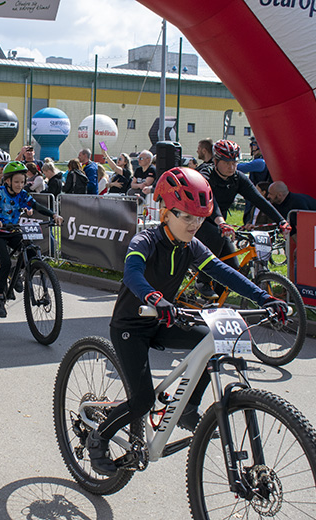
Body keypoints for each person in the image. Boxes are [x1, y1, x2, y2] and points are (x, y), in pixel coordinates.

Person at [86, 166, 289, 476]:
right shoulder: (146, 240)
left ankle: (189, 407)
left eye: (201, 218)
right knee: (141, 401)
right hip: (131, 325)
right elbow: (133, 275)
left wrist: (265, 298)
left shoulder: (191, 245)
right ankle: (98, 438)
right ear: (167, 212)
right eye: (188, 217)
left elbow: (225, 272)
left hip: (164, 319)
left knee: (216, 342)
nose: (195, 224)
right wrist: (155, 298)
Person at [195, 140, 289, 299]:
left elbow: (260, 200)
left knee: (232, 269)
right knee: (216, 237)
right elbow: (211, 202)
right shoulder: (206, 174)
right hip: (198, 221)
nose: (231, 167)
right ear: (216, 161)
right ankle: (201, 281)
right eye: (226, 163)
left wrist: (282, 222)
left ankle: (210, 303)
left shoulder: (237, 178)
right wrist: (221, 222)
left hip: (220, 225)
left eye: (234, 162)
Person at [0, 161, 63, 318]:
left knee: (31, 250)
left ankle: (15, 272)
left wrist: (53, 214)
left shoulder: (22, 195)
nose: (20, 185)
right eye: (16, 182)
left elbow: (37, 206)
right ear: (7, 181)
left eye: (22, 181)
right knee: (5, 261)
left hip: (12, 230)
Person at [238, 137, 273, 222]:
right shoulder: (263, 161)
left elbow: (240, 168)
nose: (251, 147)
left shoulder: (261, 162)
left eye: (253, 144)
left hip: (257, 197)